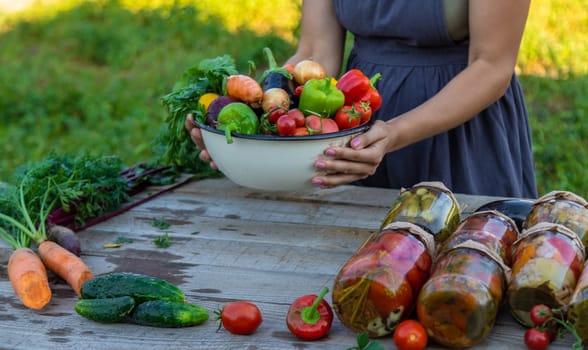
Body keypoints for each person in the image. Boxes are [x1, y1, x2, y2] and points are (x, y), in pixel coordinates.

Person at [185, 0, 538, 198]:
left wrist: (394, 133)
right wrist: (246, 115)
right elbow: (315, 52)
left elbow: (491, 66)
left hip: (458, 134)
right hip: (358, 125)